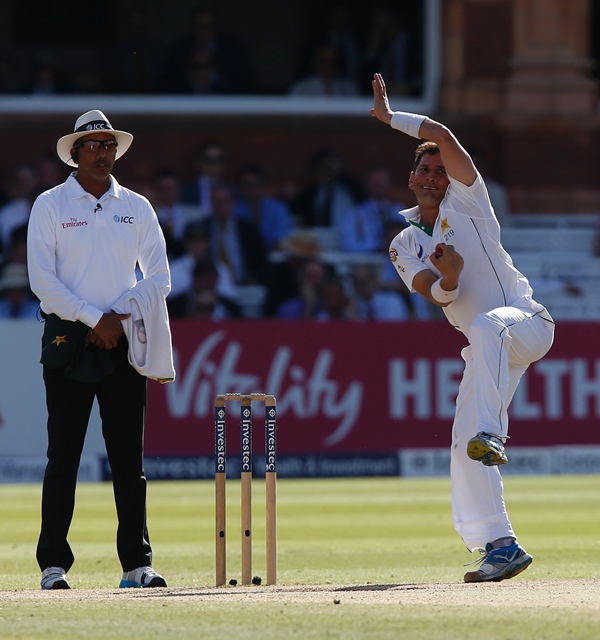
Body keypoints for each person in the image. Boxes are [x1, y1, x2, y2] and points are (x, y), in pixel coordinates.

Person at [371, 73, 555, 582]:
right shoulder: (403, 242)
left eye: (439, 169)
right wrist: (449, 278)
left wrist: (392, 119)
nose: (433, 175)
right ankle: (501, 545)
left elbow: (446, 138)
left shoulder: (470, 202)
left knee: (489, 329)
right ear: (411, 180)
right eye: (424, 170)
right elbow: (434, 291)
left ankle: (494, 433)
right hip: (486, 344)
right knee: (461, 443)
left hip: (529, 323)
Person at [27, 110, 172, 590]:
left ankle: (137, 563)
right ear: (74, 153)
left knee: (129, 459)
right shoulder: (50, 204)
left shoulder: (136, 205)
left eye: (109, 145)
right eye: (93, 145)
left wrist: (119, 314)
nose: (103, 153)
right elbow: (42, 282)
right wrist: (96, 319)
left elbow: (159, 276)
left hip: (123, 339)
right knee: (63, 455)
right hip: (70, 340)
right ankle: (53, 565)